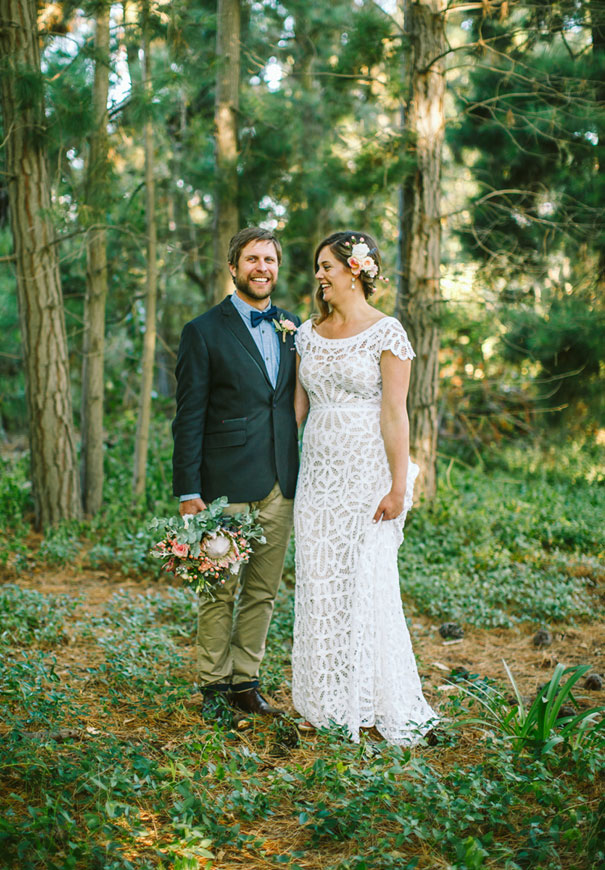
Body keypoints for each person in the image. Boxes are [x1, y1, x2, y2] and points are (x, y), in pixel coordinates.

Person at [292, 230, 437, 744]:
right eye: (318, 268)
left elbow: (396, 415)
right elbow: (296, 410)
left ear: (355, 269)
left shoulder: (387, 332)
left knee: (364, 583)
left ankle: (369, 701)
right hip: (318, 476)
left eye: (326, 266)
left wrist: (398, 487)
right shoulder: (306, 334)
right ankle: (321, 702)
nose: (319, 276)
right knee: (319, 581)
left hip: (367, 472)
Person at [172, 227, 300, 718]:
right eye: (252, 259)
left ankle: (245, 682)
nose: (262, 268)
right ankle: (212, 687)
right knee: (219, 591)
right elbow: (188, 417)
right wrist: (189, 490)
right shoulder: (203, 330)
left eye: (269, 259)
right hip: (224, 487)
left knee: (263, 592)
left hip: (279, 484)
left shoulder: (293, 327)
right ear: (233, 267)